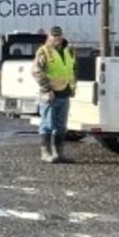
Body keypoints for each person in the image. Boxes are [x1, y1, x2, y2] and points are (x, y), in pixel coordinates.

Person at [33, 26, 76, 163]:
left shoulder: (69, 50)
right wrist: (46, 89)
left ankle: (59, 153)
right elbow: (36, 71)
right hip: (50, 94)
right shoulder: (44, 52)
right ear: (48, 37)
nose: (57, 39)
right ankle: (45, 153)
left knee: (61, 126)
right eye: (54, 37)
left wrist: (73, 86)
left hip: (65, 93)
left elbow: (72, 69)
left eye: (59, 36)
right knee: (47, 124)